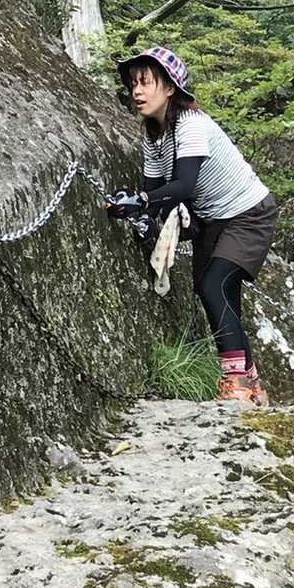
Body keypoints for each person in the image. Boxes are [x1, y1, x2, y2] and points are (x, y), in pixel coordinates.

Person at [106, 45, 278, 406]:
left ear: (170, 88)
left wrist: (142, 201)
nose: (137, 91)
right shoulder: (154, 135)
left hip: (248, 213)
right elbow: (155, 190)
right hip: (211, 220)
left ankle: (235, 383)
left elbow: (183, 185)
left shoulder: (191, 124)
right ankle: (251, 384)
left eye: (145, 83)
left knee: (215, 284)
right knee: (213, 292)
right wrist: (136, 210)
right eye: (133, 84)